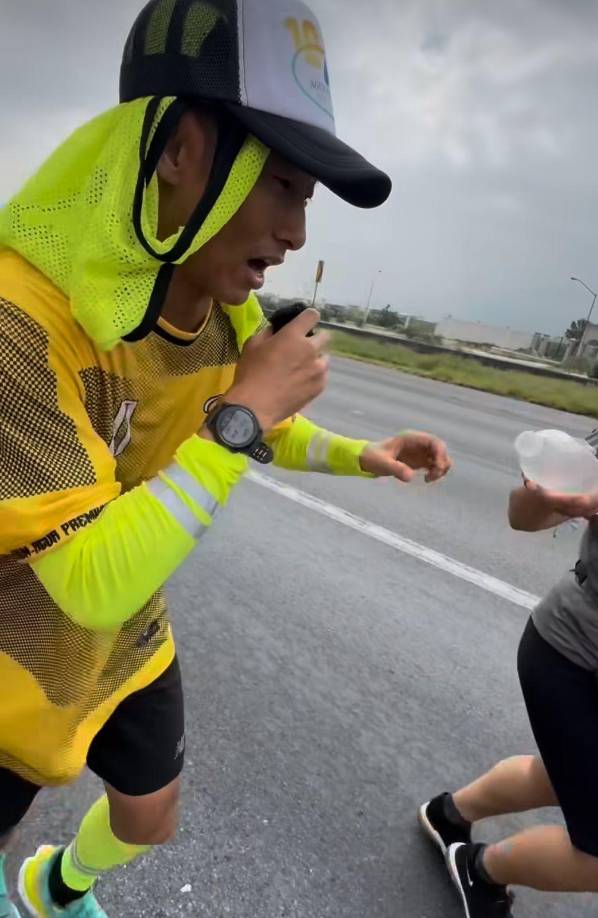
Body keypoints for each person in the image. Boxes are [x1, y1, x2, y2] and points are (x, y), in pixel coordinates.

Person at [0, 1, 453, 915]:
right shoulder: (18, 322)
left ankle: (53, 886)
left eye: (304, 201)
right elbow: (85, 580)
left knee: (149, 818)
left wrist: (359, 454)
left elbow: (252, 424)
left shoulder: (222, 303)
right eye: (282, 186)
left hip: (125, 640)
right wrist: (244, 414)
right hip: (16, 652)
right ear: (181, 150)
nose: (295, 235)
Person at [418, 410, 598, 916]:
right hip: (578, 658)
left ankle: (447, 815)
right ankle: (480, 869)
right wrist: (543, 496)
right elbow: (525, 515)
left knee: (563, 774)